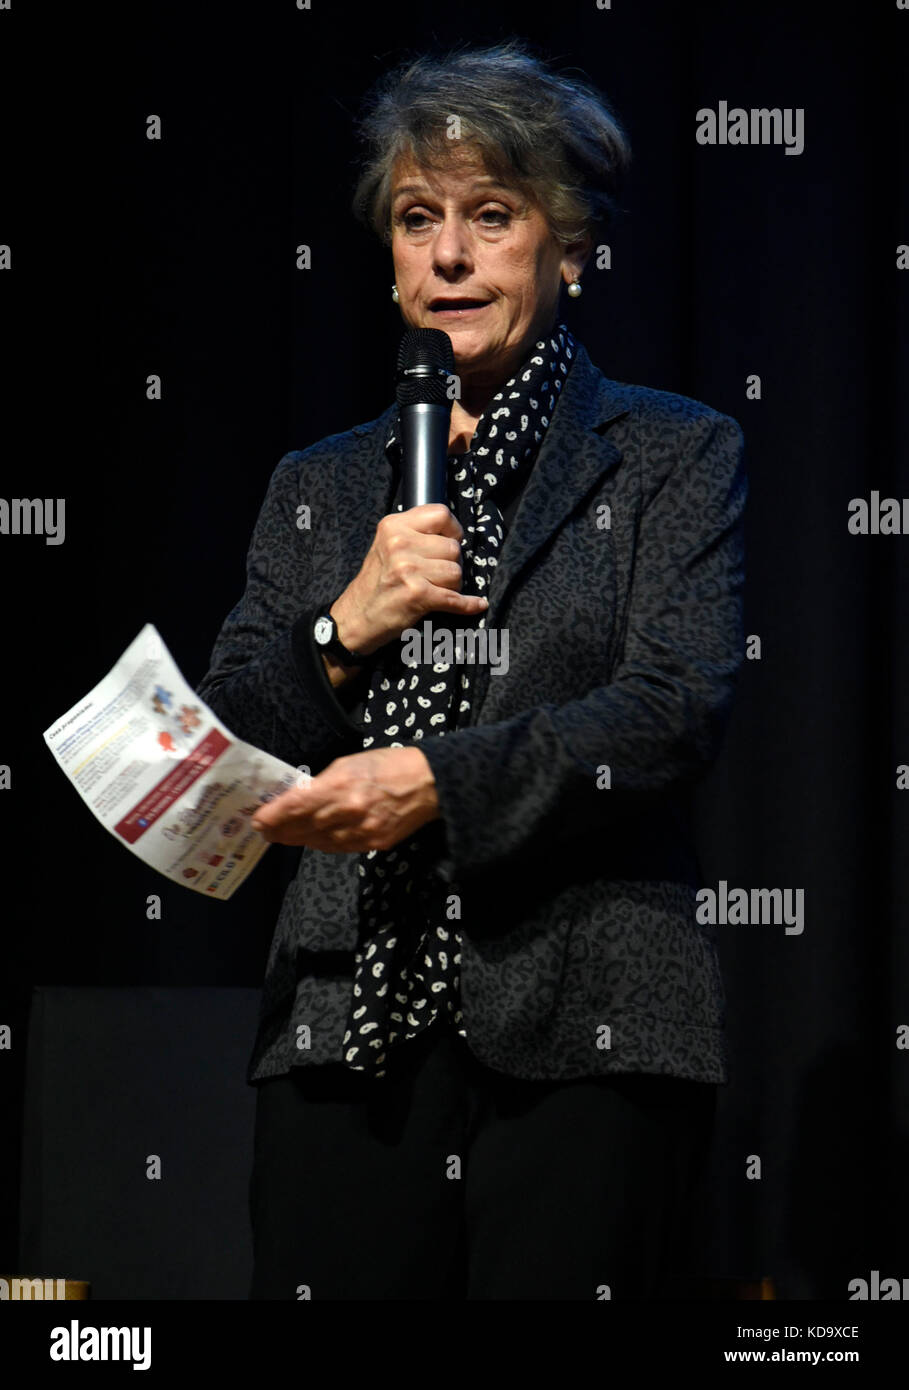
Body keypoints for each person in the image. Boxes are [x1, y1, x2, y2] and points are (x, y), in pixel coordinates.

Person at [195, 39, 747, 1300]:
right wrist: (348, 620)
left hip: (588, 1034)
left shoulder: (671, 451)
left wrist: (433, 782)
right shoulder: (319, 484)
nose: (448, 256)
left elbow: (673, 706)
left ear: (569, 248)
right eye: (416, 219)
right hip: (340, 1032)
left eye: (492, 217)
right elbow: (225, 743)